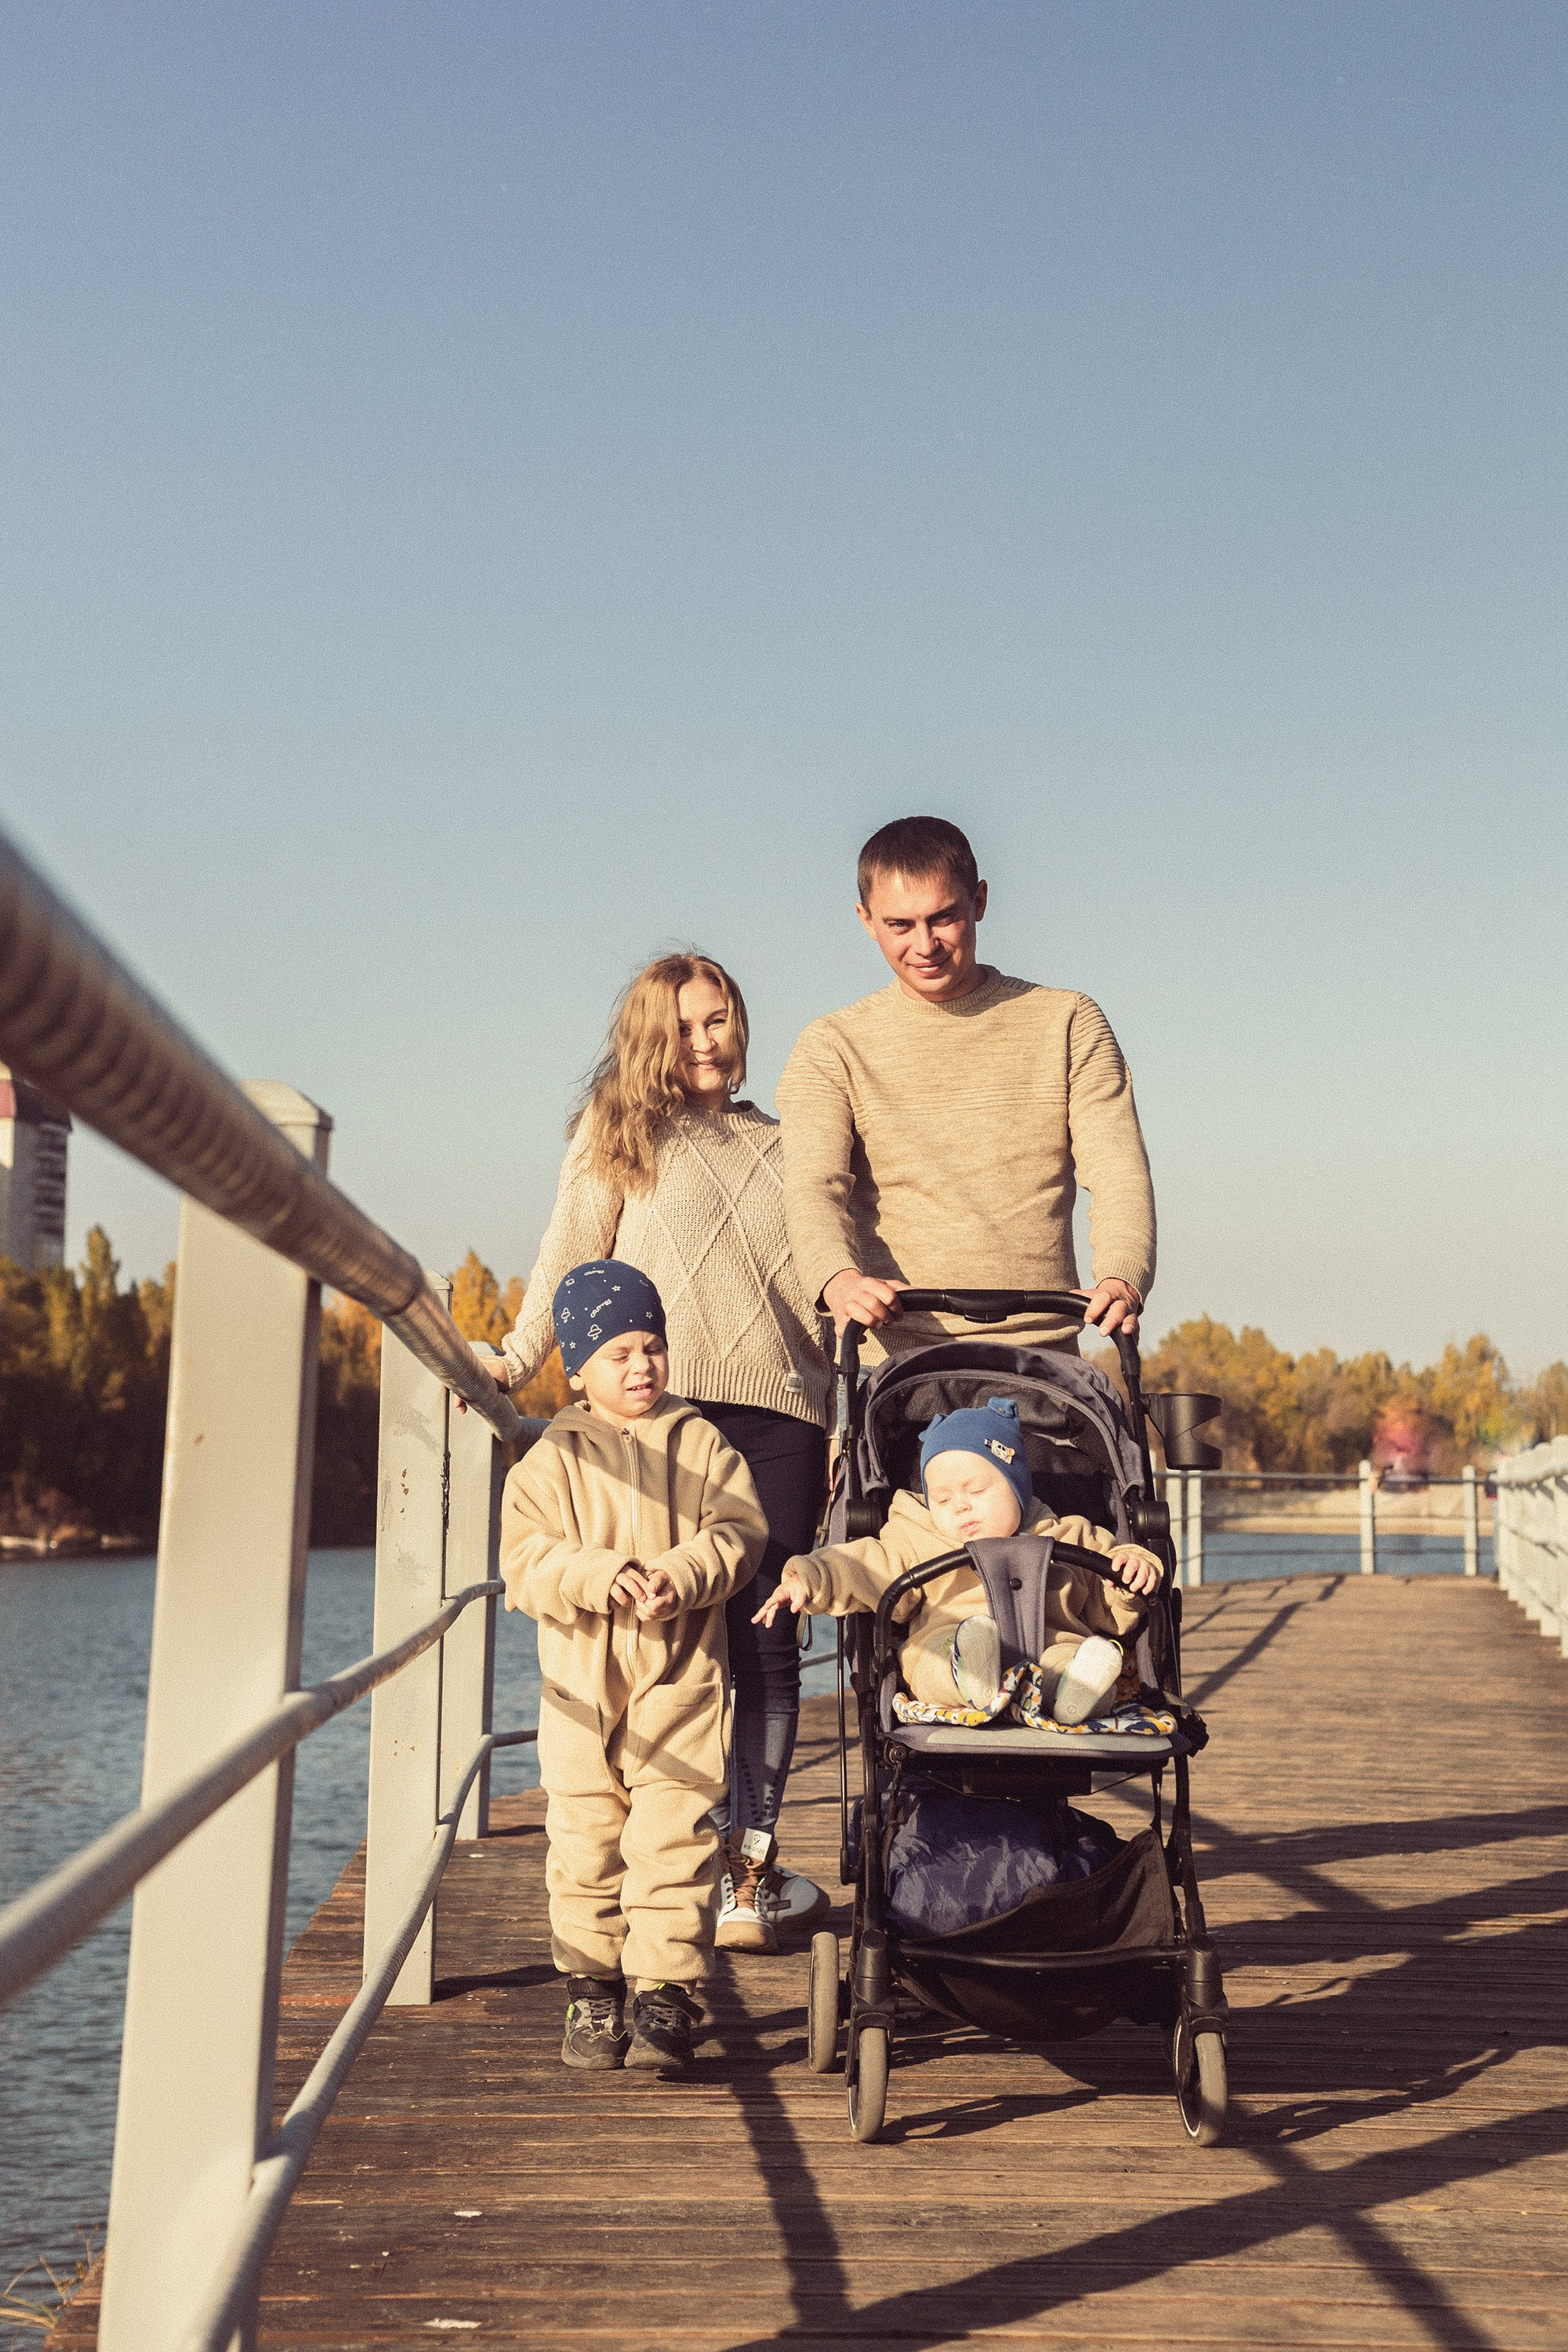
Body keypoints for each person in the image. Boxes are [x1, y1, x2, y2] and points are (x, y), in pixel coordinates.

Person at [486, 953, 833, 1955]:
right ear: (649, 1039)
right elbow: (569, 1253)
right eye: (682, 1028)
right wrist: (514, 1360)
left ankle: (746, 1871)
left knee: (767, 1639)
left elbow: (830, 1287)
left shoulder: (790, 1145)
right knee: (670, 1639)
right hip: (659, 1417)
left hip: (783, 1415)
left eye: (718, 1020)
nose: (705, 1042)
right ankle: (671, 1864)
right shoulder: (620, 1132)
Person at [499, 1260, 768, 2071]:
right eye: (617, 1353)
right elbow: (524, 1561)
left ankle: (666, 1991)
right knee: (583, 1837)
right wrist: (595, 1573)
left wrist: (683, 1575)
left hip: (681, 1676)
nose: (641, 1366)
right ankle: (591, 1987)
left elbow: (739, 1533)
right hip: (580, 1685)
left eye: (652, 1347)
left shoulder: (701, 1443)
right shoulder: (551, 1460)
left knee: (674, 1832)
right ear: (578, 1370)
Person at [775, 815, 1156, 1362]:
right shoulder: (831, 1044)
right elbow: (814, 1188)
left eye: (943, 917)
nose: (925, 944)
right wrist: (839, 1280)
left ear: (979, 901)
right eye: (900, 925)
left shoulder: (1069, 1021)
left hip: (1044, 1356)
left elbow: (1118, 1173)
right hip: (893, 1363)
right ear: (866, 920)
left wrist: (1121, 1277)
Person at [755, 1397, 1162, 1725]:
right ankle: (968, 1674)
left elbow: (1109, 1606)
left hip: (1050, 1646)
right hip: (948, 1640)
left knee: (1072, 1658)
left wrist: (1129, 1573)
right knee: (931, 1659)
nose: (960, 1507)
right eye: (943, 1499)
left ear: (1018, 1488)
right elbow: (864, 1565)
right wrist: (809, 1577)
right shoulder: (919, 1537)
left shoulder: (1069, 1534)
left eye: (977, 1491)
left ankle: (1078, 1690)